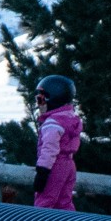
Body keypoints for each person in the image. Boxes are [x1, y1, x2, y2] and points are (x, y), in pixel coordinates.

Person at [33, 75, 82, 211]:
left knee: (44, 202)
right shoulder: (70, 118)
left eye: (41, 97)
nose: (38, 102)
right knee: (64, 202)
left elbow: (49, 150)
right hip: (69, 165)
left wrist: (42, 172)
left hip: (54, 167)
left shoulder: (52, 124)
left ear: (52, 99)